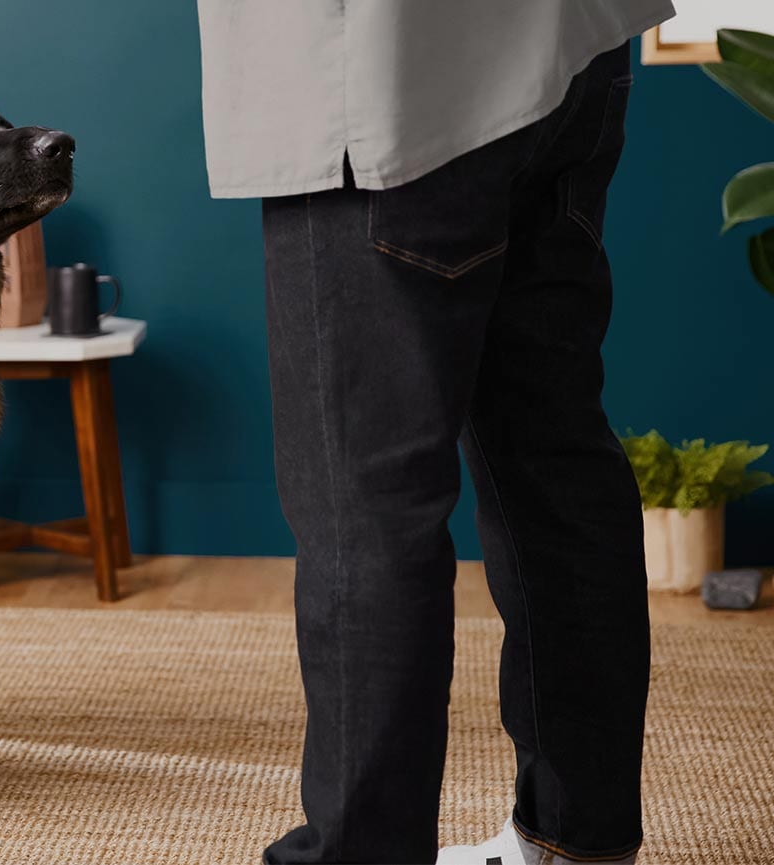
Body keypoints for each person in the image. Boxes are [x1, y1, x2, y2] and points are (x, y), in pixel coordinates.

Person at [196, 2, 674, 863]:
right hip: (572, 45)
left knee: (365, 505)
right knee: (553, 455)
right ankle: (577, 838)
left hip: (389, 72)